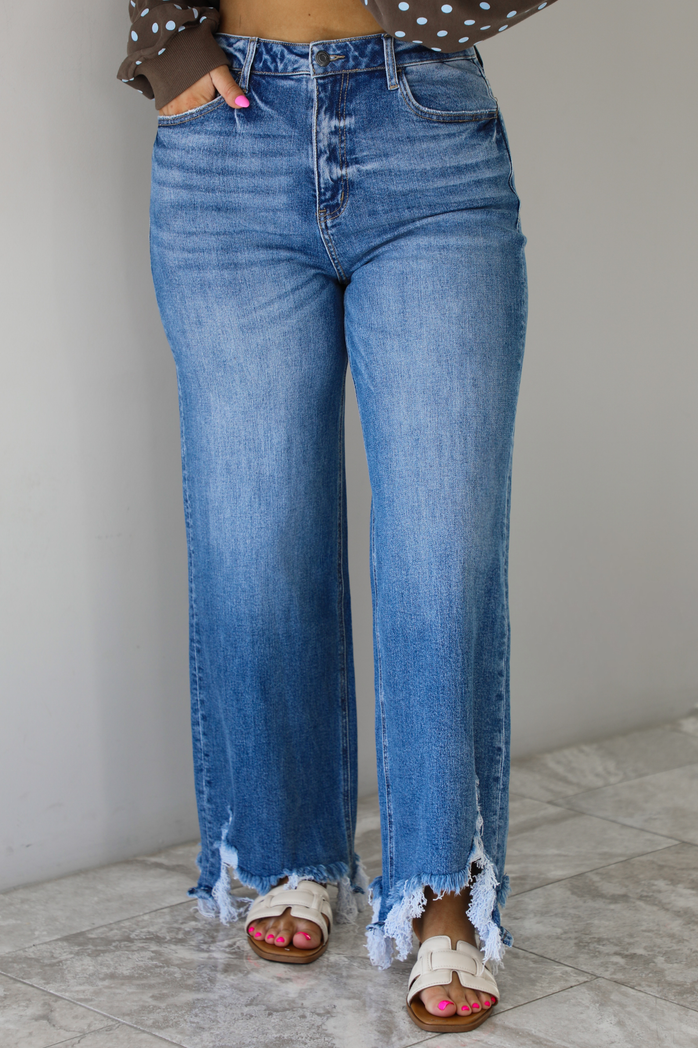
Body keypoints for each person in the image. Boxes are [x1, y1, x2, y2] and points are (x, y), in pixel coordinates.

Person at [118, 0, 555, 1033]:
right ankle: (289, 852)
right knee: (254, 539)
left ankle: (440, 890)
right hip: (225, 139)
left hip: (427, 133)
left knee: (439, 553)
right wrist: (172, 52)